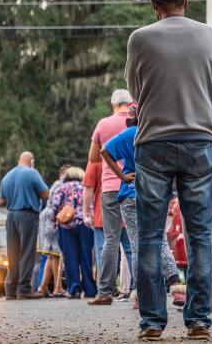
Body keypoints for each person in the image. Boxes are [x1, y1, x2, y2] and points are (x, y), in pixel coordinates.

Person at [125, 0, 212, 341]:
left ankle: (152, 322)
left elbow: (135, 88)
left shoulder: (140, 38)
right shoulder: (208, 34)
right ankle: (197, 320)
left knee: (149, 235)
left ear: (153, 5)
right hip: (199, 140)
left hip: (154, 143)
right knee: (199, 236)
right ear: (187, 0)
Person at [100, 110, 184, 311]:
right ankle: (176, 287)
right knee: (160, 241)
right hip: (156, 193)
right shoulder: (158, 133)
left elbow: (104, 151)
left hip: (131, 194)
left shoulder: (130, 133)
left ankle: (142, 295)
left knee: (138, 245)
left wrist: (122, 175)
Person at [86, 89, 137, 306]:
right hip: (134, 184)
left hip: (109, 188)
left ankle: (105, 292)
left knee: (110, 239)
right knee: (135, 240)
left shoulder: (103, 124)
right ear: (130, 103)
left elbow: (93, 158)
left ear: (113, 104)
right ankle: (138, 289)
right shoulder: (140, 120)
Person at [0, 151, 50, 300]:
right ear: (31, 161)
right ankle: (24, 289)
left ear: (18, 160)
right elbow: (46, 193)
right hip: (27, 215)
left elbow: (1, 201)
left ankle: (10, 289)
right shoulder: (31, 173)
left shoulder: (7, 176)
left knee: (12, 254)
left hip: (11, 216)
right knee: (27, 252)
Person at [53, 166, 97, 300]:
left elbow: (55, 205)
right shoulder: (85, 186)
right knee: (86, 257)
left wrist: (55, 220)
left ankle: (74, 289)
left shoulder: (62, 187)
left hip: (67, 226)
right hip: (85, 224)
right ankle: (89, 289)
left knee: (70, 258)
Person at [37, 165, 69, 297]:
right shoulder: (60, 184)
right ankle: (58, 287)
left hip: (48, 217)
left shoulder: (56, 184)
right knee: (55, 253)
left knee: (51, 255)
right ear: (62, 173)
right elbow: (58, 203)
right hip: (53, 218)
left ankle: (43, 287)